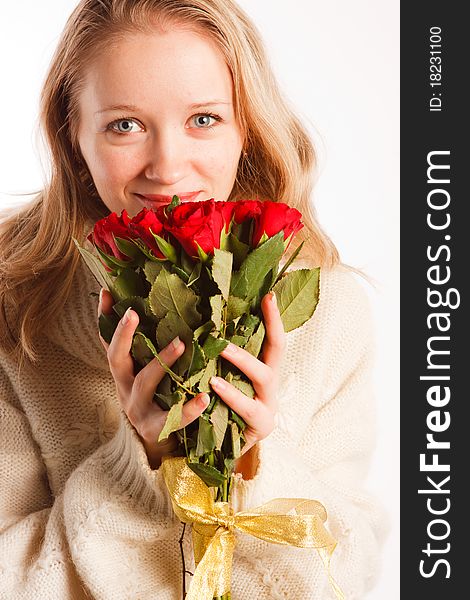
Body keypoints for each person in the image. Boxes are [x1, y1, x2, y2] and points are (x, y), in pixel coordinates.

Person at [0, 0, 387, 598]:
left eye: (204, 119)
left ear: (246, 130)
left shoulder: (328, 309)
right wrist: (146, 466)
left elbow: (347, 570)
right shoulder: (13, 307)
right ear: (72, 137)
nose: (168, 166)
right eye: (124, 125)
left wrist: (249, 467)